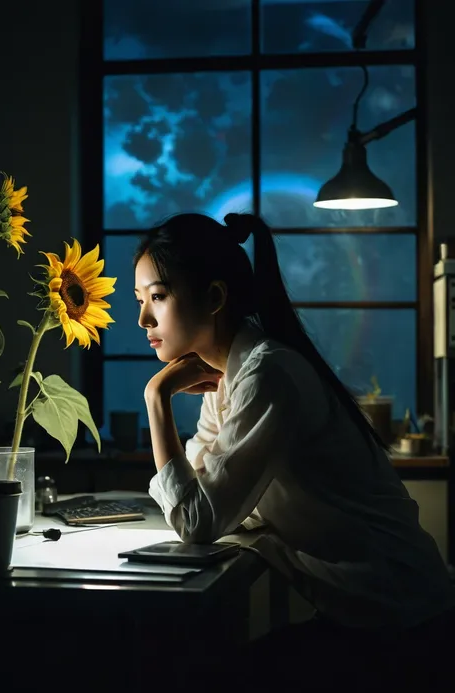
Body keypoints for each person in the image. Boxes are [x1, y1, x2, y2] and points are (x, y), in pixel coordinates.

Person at [133, 212, 454, 690]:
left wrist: (155, 401)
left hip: (402, 622)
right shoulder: (228, 380)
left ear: (216, 297)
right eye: (141, 300)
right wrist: (207, 501)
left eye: (157, 297)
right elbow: (207, 500)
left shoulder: (268, 376)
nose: (143, 318)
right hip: (372, 614)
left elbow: (197, 520)